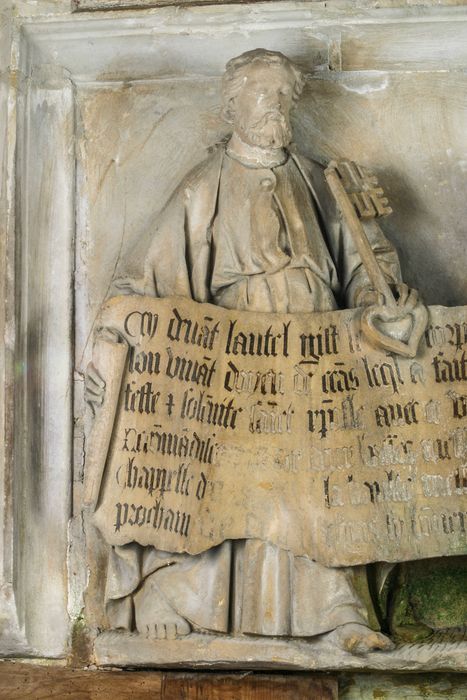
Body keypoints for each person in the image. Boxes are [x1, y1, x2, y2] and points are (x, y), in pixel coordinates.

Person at [87, 49, 419, 653]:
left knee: (321, 481)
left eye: (285, 96)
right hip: (232, 362)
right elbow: (146, 277)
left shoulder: (324, 182)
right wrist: (121, 329)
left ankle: (340, 615)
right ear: (231, 105)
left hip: (318, 358)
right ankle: (177, 598)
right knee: (223, 479)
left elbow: (368, 271)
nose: (276, 106)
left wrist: (385, 304)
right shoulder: (202, 185)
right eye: (262, 94)